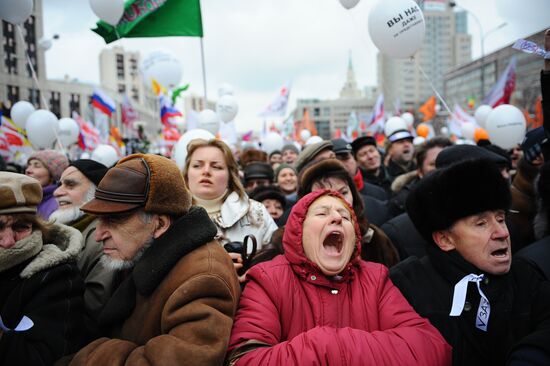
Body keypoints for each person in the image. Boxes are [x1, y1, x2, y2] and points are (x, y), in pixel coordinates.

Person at [226, 189, 451, 365]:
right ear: (299, 231)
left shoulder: (375, 278)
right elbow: (245, 359)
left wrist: (336, 348)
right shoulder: (268, 279)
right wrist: (324, 346)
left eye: (345, 216)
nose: (336, 218)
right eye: (322, 213)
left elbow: (431, 349)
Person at [69, 153, 241, 365]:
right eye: (99, 220)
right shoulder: (144, 251)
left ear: (160, 224)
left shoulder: (203, 277)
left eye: (114, 220)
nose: (98, 234)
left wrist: (95, 354)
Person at [390, 159, 550, 365]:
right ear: (445, 240)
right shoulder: (407, 286)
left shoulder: (526, 275)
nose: (502, 233)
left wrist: (533, 355)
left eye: (501, 219)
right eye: (481, 223)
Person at [0, 172, 87, 365]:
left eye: (21, 227)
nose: (8, 241)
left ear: (36, 227)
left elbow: (41, 357)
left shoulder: (55, 276)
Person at [182, 139, 277, 271]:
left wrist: (252, 273)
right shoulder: (168, 216)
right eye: (197, 165)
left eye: (216, 166)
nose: (206, 171)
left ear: (230, 175)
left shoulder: (256, 212)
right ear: (186, 174)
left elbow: (277, 263)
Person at [50, 159, 115, 324]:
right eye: (60, 184)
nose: (57, 192)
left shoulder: (102, 239)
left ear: (95, 192)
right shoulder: (61, 229)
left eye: (70, 185)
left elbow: (92, 306)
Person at [389, 136, 452, 216]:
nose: (441, 167)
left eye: (446, 162)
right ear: (420, 172)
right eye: (433, 164)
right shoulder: (402, 203)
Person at [25, 149, 69, 220]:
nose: (28, 170)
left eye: (37, 166)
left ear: (53, 175)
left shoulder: (56, 206)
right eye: (29, 165)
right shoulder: (24, 198)